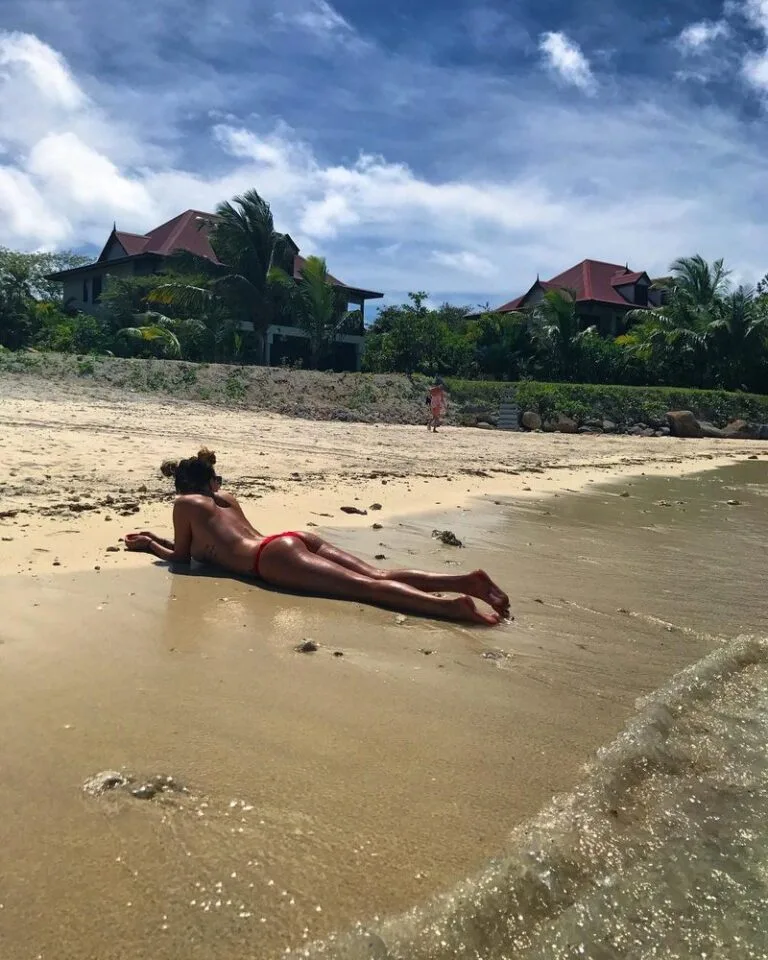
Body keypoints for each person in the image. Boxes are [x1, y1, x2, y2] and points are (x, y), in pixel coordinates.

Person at [126, 448, 509, 626]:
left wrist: (151, 546)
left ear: (182, 486)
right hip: (291, 539)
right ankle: (464, 581)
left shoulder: (184, 504)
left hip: (269, 559)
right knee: (377, 575)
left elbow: (182, 558)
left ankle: (451, 608)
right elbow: (207, 545)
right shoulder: (224, 499)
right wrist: (161, 539)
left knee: (365, 589)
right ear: (210, 482)